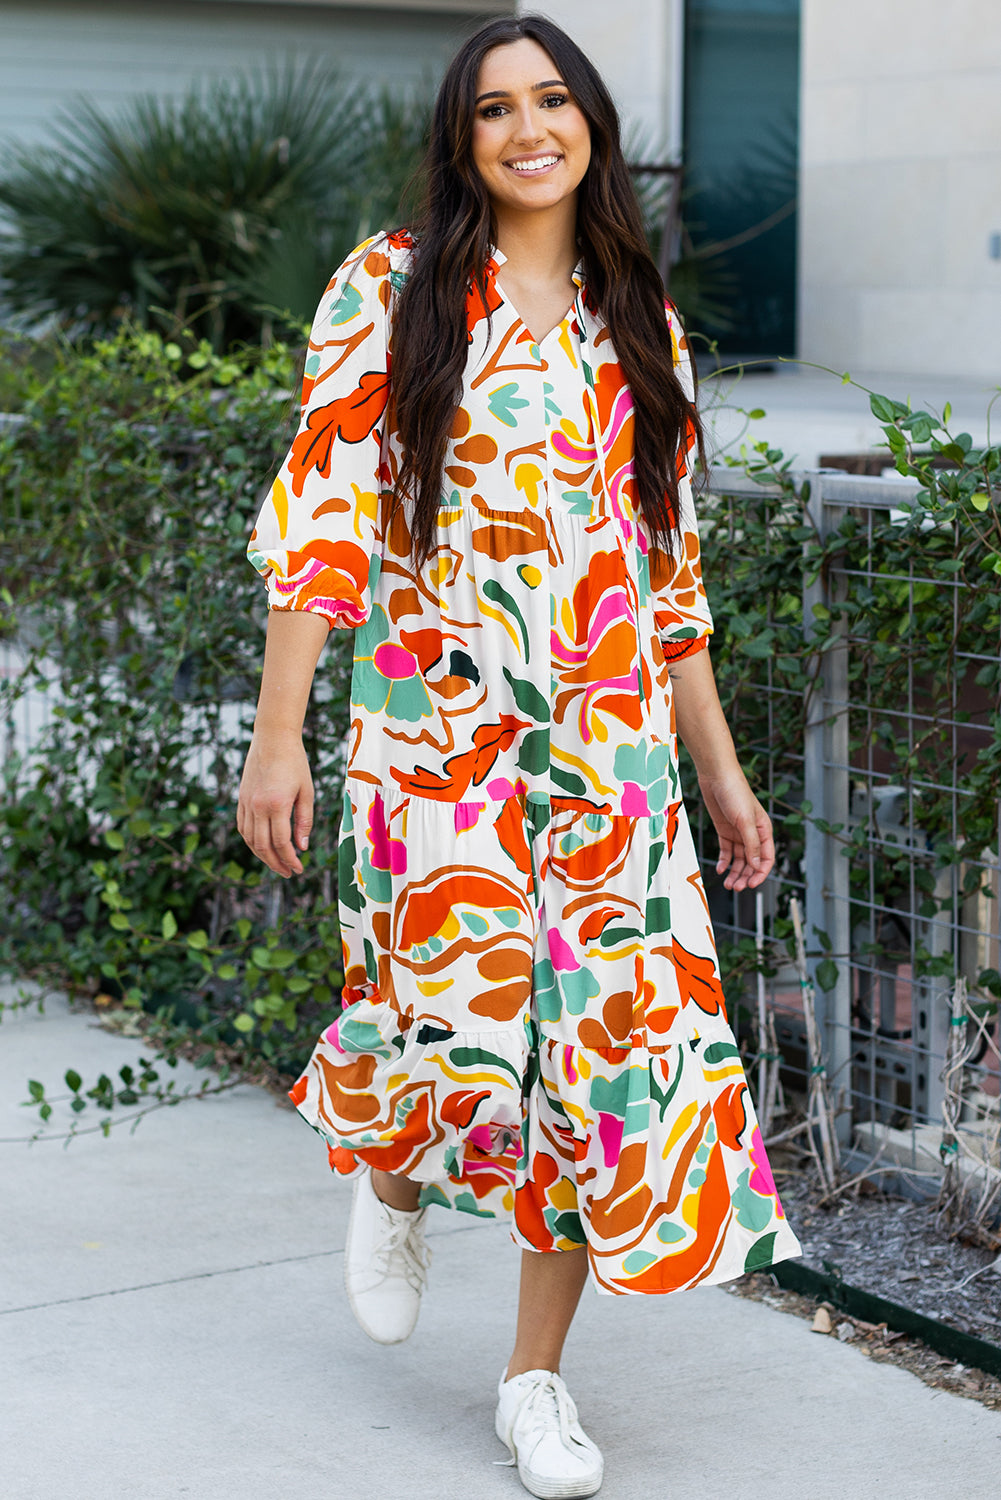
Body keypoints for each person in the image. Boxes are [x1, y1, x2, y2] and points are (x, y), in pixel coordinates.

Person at [239, 14, 801, 1498]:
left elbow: (665, 579)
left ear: (591, 124)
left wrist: (721, 773)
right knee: (435, 1009)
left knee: (593, 1058)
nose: (528, 129)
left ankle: (532, 1385)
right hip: (438, 741)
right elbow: (321, 522)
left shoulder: (640, 320)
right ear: (463, 138)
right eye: (494, 109)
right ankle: (391, 1177)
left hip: (610, 757)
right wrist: (280, 735)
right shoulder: (391, 287)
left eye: (553, 100)